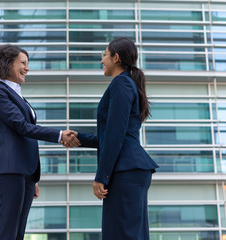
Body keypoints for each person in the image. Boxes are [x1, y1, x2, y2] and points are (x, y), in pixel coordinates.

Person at [65, 38, 159, 240]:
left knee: (121, 233)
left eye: (104, 55)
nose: (102, 61)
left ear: (116, 58)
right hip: (131, 169)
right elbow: (116, 134)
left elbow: (116, 133)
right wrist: (80, 138)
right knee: (130, 233)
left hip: (125, 170)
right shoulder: (127, 83)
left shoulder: (121, 83)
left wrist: (102, 176)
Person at [0, 44, 79, 240]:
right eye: (23, 63)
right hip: (10, 169)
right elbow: (21, 126)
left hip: (25, 173)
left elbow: (25, 133)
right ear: (7, 63)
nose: (27, 68)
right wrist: (59, 135)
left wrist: (32, 177)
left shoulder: (18, 94)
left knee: (18, 232)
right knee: (7, 232)